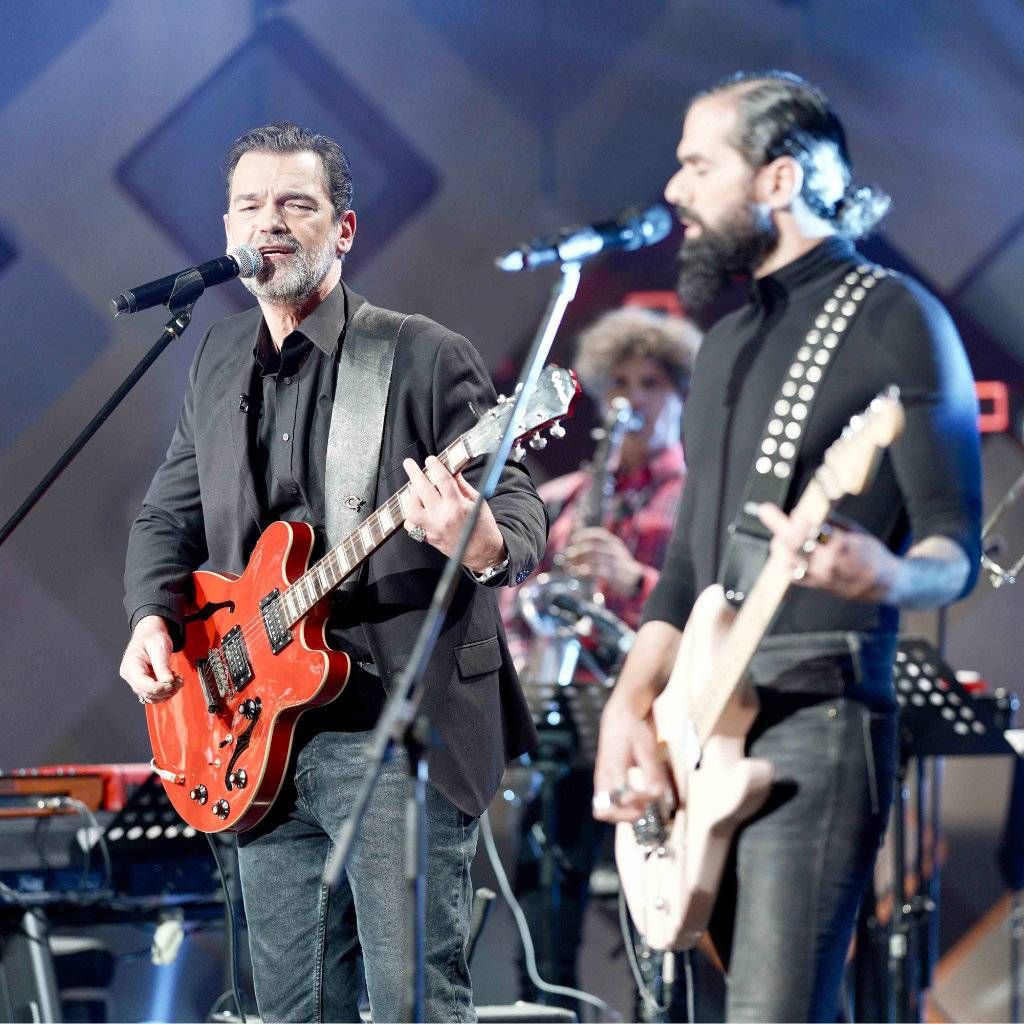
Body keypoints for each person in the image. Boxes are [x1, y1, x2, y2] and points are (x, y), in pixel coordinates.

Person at [119, 121, 547, 1023]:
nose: (268, 222)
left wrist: (476, 542)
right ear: (227, 229)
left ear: (342, 230)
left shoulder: (422, 354)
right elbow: (166, 515)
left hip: (393, 725)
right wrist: (151, 618)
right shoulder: (217, 356)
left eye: (295, 204)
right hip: (255, 733)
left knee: (412, 1004)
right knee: (291, 1012)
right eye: (249, 205)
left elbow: (516, 507)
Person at [592, 71, 982, 1023]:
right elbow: (688, 570)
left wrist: (888, 574)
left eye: (698, 166)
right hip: (700, 725)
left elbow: (955, 549)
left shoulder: (895, 317)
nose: (675, 191)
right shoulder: (723, 344)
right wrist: (630, 706)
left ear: (780, 179)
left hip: (817, 715)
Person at [503, 306, 699, 1006]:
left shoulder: (697, 501)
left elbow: (715, 616)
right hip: (567, 723)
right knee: (541, 893)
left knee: (662, 912)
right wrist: (532, 636)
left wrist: (633, 580)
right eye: (619, 383)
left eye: (651, 383)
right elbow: (510, 607)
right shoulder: (564, 500)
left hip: (661, 730)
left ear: (678, 395)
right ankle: (546, 1012)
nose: (632, 399)